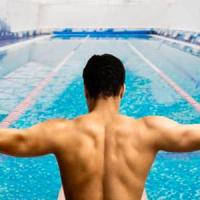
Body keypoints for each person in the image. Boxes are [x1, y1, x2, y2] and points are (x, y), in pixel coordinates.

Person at [0, 54, 200, 200]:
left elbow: (17, 140)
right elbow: (190, 135)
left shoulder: (62, 132)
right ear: (122, 90)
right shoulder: (148, 130)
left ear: (86, 91)